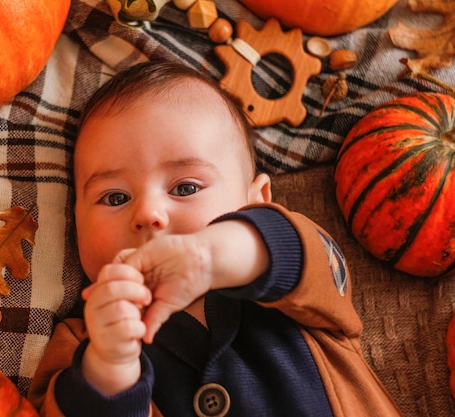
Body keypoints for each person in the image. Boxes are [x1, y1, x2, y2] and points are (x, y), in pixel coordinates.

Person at [28, 60, 402, 416]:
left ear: (258, 202)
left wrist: (212, 254)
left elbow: (298, 246)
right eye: (115, 197)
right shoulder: (83, 340)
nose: (147, 213)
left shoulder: (292, 292)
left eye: (186, 187)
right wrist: (110, 369)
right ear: (74, 219)